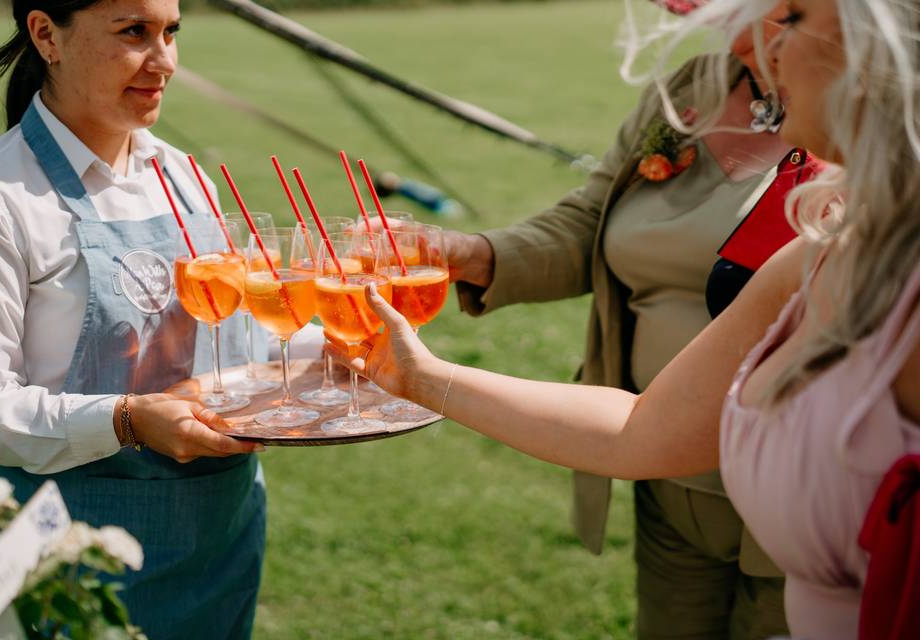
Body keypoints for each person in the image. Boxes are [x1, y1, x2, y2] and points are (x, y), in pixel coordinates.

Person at [329, 0, 920, 637]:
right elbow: (640, 431)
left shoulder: (843, 247)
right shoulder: (812, 255)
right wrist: (423, 364)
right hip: (677, 476)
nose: (760, 44)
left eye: (794, 15)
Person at [442, 1, 798, 636]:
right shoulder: (694, 85)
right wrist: (478, 255)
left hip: (800, 486)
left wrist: (422, 378)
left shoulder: (879, 118)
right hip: (660, 464)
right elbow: (592, 220)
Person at [0, 2, 267, 638]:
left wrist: (345, 349)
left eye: (171, 32)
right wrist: (128, 421)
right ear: (47, 35)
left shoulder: (183, 175)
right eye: (135, 33)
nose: (166, 62)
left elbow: (241, 334)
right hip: (77, 567)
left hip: (222, 542)